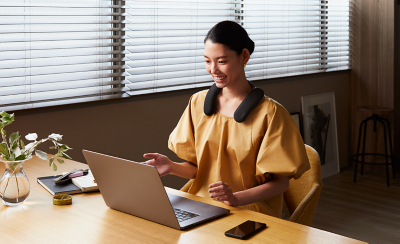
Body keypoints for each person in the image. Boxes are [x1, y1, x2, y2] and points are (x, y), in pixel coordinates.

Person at [143, 21, 310, 218]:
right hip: (202, 206)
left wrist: (236, 199)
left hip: (250, 211)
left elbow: (280, 183)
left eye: (221, 61)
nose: (213, 69)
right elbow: (200, 171)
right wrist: (172, 166)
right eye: (207, 61)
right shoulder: (197, 103)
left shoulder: (271, 114)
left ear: (244, 56)